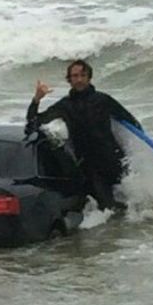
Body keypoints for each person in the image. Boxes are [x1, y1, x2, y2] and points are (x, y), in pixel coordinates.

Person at [25, 59, 142, 211]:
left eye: (83, 75)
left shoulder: (103, 100)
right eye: (75, 76)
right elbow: (34, 121)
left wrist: (140, 153)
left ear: (89, 77)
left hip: (113, 160)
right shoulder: (64, 105)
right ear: (69, 79)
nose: (79, 79)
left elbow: (132, 123)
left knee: (134, 204)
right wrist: (36, 100)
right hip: (90, 167)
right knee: (108, 208)